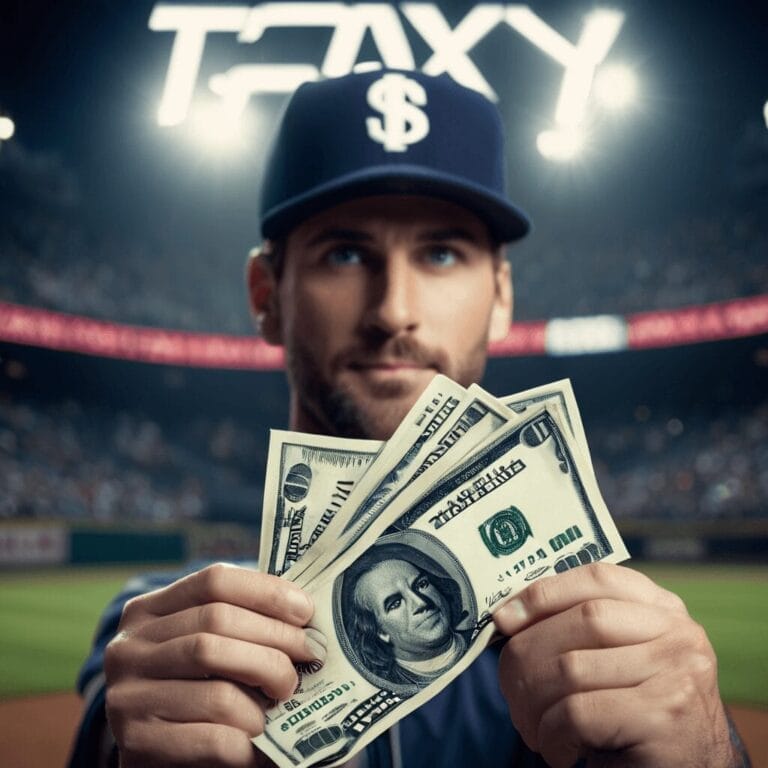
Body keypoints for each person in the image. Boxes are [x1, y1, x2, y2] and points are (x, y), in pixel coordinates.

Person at [67, 68, 750, 768]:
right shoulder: (165, 622)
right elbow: (109, 728)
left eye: (443, 252)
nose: (394, 310)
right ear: (266, 294)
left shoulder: (586, 640)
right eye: (345, 252)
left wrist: (708, 750)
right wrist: (118, 751)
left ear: (501, 294)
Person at [340, 542, 470, 690]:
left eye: (421, 585)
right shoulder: (385, 687)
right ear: (379, 631)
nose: (421, 603)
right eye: (395, 603)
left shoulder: (489, 636)